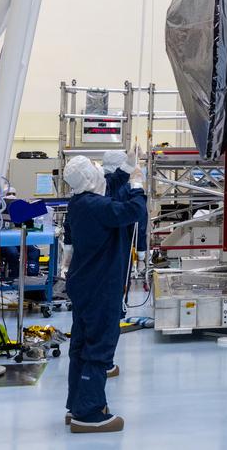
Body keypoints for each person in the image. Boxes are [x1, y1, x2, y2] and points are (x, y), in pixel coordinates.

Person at [63, 155, 148, 434]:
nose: (102, 176)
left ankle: (77, 404)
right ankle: (88, 413)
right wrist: (137, 186)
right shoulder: (98, 207)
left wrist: (125, 170)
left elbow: (106, 183)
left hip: (85, 284)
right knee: (99, 346)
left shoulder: (79, 203)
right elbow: (133, 211)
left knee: (81, 346)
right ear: (90, 180)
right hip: (101, 287)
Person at [100, 151, 149, 380]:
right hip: (118, 253)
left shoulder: (96, 189)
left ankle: (93, 361)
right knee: (112, 309)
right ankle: (104, 362)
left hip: (93, 260)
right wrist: (141, 251)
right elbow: (140, 217)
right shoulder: (127, 189)